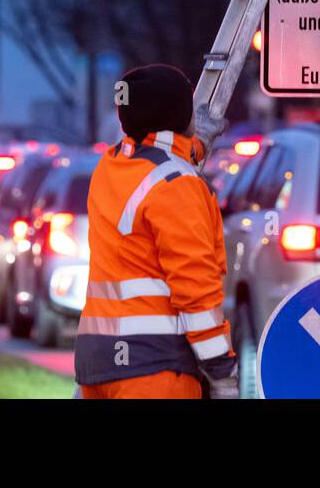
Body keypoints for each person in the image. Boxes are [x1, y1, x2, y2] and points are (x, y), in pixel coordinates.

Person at [74, 64, 238, 398]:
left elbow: (155, 156)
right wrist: (221, 370)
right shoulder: (176, 184)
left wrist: (196, 144)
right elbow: (195, 288)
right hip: (154, 369)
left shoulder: (110, 166)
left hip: (98, 364)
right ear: (178, 115)